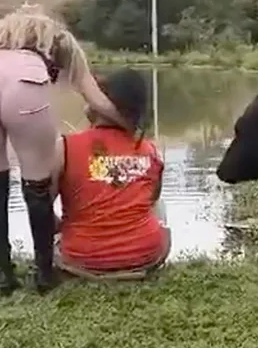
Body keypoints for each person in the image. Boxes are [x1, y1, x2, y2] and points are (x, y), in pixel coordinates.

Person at [0, 3, 128, 295]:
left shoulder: (0, 32)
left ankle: (4, 274)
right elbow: (95, 98)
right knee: (37, 184)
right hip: (26, 86)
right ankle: (44, 273)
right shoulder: (60, 38)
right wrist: (129, 125)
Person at [53, 69, 170, 275]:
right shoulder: (150, 151)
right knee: (156, 201)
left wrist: (62, 230)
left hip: (81, 259)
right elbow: (151, 201)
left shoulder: (65, 147)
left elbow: (41, 206)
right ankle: (136, 246)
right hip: (145, 256)